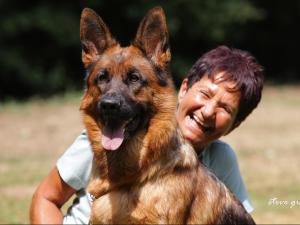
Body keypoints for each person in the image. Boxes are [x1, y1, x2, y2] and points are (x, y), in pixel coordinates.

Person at [30, 45, 264, 224]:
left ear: (235, 124)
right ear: (183, 89)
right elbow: (46, 198)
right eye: (205, 94)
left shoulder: (221, 159)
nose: (208, 111)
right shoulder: (112, 135)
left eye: (225, 109)